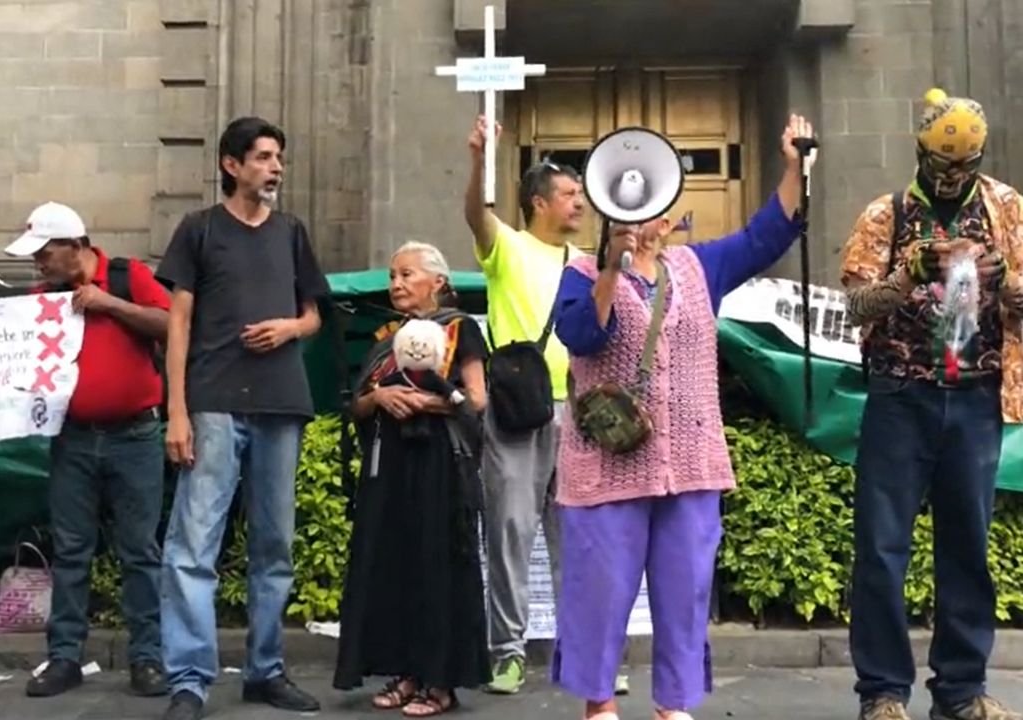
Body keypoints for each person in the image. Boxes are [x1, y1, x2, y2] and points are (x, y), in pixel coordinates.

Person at [549, 114, 812, 720]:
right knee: (601, 591)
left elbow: (765, 236)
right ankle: (599, 703)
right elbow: (582, 334)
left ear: (668, 214)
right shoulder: (582, 273)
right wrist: (612, 266)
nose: (643, 220)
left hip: (690, 465)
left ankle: (674, 704)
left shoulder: (698, 269)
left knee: (685, 592)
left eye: (653, 209)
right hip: (607, 465)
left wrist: (794, 166)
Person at [841, 89, 1023, 720]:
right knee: (883, 547)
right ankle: (884, 692)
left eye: (965, 165)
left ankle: (962, 690)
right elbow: (855, 306)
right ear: (918, 150)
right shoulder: (886, 214)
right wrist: (907, 274)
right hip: (900, 397)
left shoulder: (1005, 209)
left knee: (968, 546)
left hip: (974, 397)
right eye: (942, 164)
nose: (953, 177)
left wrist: (1006, 284)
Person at [157, 116, 329, 720]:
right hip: (214, 400)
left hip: (281, 401)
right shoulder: (199, 230)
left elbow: (315, 315)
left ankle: (266, 670)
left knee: (274, 546)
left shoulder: (291, 232)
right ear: (232, 165)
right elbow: (177, 322)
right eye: (262, 157)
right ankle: (188, 679)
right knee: (192, 545)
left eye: (278, 156)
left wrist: (290, 326)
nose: (275, 167)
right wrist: (176, 410)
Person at [464, 115, 617, 695]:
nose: (580, 202)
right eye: (570, 194)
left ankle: (586, 655)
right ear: (537, 202)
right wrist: (482, 159)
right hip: (516, 412)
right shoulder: (507, 247)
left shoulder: (588, 262)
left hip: (579, 414)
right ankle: (507, 651)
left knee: (578, 536)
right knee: (509, 530)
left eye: (581, 194)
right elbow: (476, 215)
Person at [0, 202, 172, 698]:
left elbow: (171, 326)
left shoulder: (128, 275)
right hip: (72, 437)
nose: (38, 263)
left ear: (76, 248)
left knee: (139, 551)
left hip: (134, 436)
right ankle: (64, 657)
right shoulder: (42, 297)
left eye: (45, 253)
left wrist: (109, 304)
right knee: (72, 550)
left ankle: (147, 657)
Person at [332, 242, 490, 717]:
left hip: (440, 462)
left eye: (407, 275)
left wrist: (431, 403)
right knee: (393, 563)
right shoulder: (385, 338)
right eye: (393, 276)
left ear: (437, 283)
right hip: (390, 464)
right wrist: (379, 399)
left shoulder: (460, 332)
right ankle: (404, 672)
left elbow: (477, 400)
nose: (396, 284)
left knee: (436, 564)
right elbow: (356, 404)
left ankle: (439, 682)